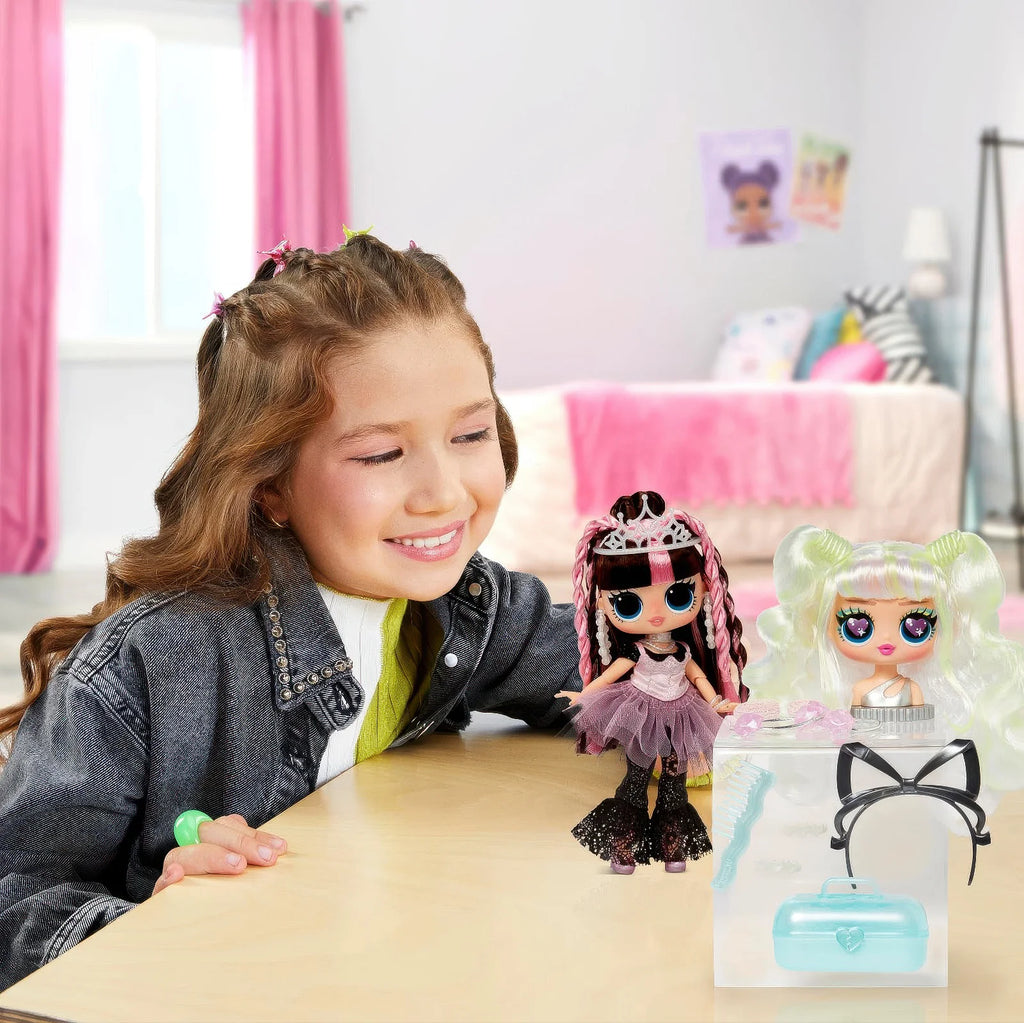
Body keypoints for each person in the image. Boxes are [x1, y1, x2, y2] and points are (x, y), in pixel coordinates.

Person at [0, 233, 580, 991]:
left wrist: (674, 674)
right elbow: (16, 896)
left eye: (470, 434)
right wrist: (153, 923)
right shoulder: (149, 667)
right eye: (381, 455)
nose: (443, 492)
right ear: (269, 484)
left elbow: (602, 662)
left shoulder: (467, 607)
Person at [745, 525, 1024, 791]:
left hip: (908, 762)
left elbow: (920, 733)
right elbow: (852, 730)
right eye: (858, 625)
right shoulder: (860, 689)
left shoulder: (912, 689)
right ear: (828, 624)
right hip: (865, 760)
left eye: (916, 625)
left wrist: (916, 749)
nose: (887, 640)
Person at [557, 491, 747, 874]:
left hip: (683, 714)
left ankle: (672, 846)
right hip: (641, 711)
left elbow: (698, 678)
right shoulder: (635, 651)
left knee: (675, 782)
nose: (658, 615)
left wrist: (715, 702)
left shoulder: (682, 650)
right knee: (636, 778)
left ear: (704, 588)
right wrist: (583, 694)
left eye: (677, 595)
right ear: (602, 603)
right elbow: (608, 676)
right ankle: (624, 847)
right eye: (629, 604)